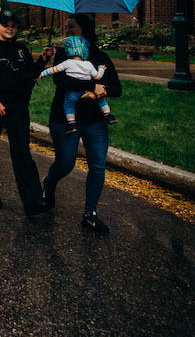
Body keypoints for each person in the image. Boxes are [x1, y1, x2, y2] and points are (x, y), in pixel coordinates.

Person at [42, 14, 122, 235]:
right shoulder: (61, 55)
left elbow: (117, 88)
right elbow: (61, 80)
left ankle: (90, 214)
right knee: (65, 163)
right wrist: (93, 83)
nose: (67, 31)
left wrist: (102, 90)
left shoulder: (100, 56)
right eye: (66, 27)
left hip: (95, 120)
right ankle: (49, 182)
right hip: (66, 118)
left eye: (71, 27)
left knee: (97, 166)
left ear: (84, 30)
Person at [0, 11, 51, 214]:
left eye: (13, 25)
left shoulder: (21, 49)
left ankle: (32, 199)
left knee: (22, 151)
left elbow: (29, 75)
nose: (10, 28)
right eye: (5, 25)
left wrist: (42, 60)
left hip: (17, 107)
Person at [39, 35, 117, 132]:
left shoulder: (67, 63)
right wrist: (101, 70)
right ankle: (108, 115)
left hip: (72, 92)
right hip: (87, 91)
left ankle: (72, 124)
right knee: (101, 100)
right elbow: (97, 77)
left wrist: (43, 73)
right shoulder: (88, 64)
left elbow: (53, 70)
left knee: (69, 105)